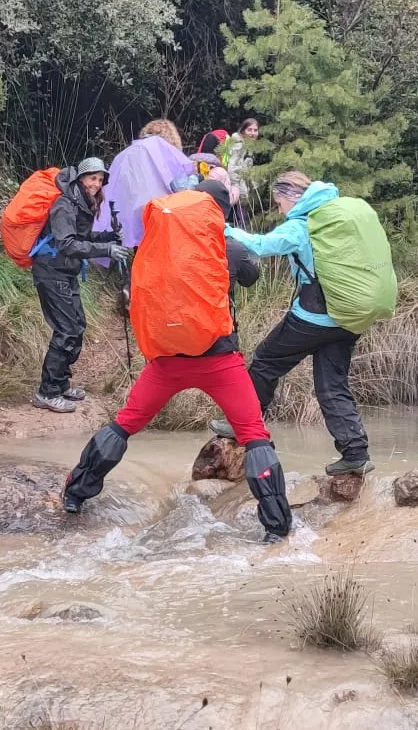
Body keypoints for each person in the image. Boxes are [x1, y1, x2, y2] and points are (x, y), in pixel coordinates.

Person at [63, 174, 292, 542]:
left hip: (167, 362)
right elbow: (252, 276)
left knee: (123, 425)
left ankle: (75, 495)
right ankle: (277, 529)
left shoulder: (156, 245)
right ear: (220, 211)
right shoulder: (230, 247)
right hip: (219, 361)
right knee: (254, 436)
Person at [219, 171, 373, 475]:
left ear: (292, 197)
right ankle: (356, 454)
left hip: (314, 316)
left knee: (265, 361)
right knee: (332, 385)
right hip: (348, 316)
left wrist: (225, 229)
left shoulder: (303, 225)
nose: (280, 210)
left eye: (279, 203)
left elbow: (260, 246)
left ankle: (243, 426)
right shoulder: (333, 217)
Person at [32, 157, 129, 413]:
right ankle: (47, 392)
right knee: (66, 330)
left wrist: (108, 236)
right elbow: (67, 244)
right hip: (51, 272)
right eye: (92, 178)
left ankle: (60, 384)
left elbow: (82, 236)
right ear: (80, 178)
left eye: (100, 179)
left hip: (65, 272)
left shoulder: (81, 202)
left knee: (77, 326)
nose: (96, 184)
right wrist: (106, 249)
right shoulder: (64, 205)